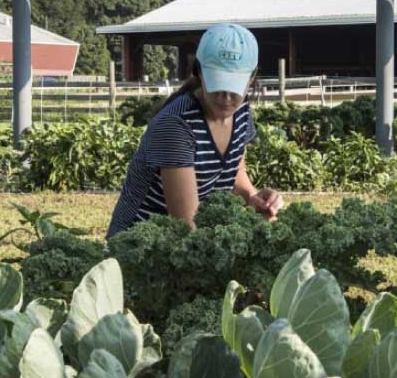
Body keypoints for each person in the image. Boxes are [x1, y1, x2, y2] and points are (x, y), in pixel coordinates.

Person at [106, 23, 282, 239]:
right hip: (138, 243)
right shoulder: (176, 124)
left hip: (188, 237)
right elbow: (186, 225)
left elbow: (234, 170)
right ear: (198, 71)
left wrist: (252, 196)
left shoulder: (241, 112)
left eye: (234, 86)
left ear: (252, 77)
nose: (226, 96)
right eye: (218, 84)